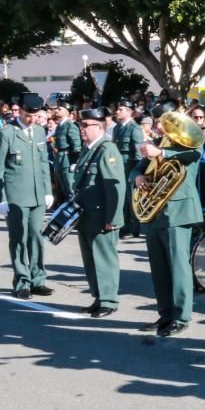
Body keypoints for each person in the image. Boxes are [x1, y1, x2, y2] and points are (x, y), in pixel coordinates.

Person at [131, 106, 204, 337]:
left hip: (178, 211)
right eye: (158, 122)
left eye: (163, 123)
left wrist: (160, 154)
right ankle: (165, 314)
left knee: (178, 265)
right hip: (154, 212)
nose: (159, 127)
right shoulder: (158, 143)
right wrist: (138, 177)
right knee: (159, 267)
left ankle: (181, 316)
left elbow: (193, 155)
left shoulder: (190, 144)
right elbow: (136, 169)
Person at [0, 93, 54, 299]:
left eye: (35, 116)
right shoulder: (7, 133)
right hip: (15, 195)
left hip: (36, 196)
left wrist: (47, 191)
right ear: (20, 110)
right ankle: (21, 282)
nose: (31, 119)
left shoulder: (39, 131)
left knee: (35, 236)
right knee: (18, 239)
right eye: (28, 115)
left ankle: (37, 279)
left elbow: (43, 163)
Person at [73, 108, 125, 317]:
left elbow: (116, 188)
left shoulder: (107, 149)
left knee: (104, 259)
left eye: (86, 126)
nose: (82, 129)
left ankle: (109, 300)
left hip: (102, 216)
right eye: (81, 125)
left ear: (100, 127)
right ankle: (98, 296)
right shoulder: (89, 149)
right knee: (90, 260)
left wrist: (113, 218)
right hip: (86, 215)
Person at [112, 99, 145, 237]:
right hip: (119, 165)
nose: (117, 111)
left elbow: (138, 152)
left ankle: (134, 227)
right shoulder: (117, 128)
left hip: (130, 166)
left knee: (131, 197)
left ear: (129, 112)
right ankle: (124, 225)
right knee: (121, 196)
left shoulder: (134, 128)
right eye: (118, 109)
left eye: (121, 109)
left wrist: (137, 171)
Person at [51, 101, 82, 204]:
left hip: (67, 160)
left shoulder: (70, 126)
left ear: (67, 112)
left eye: (59, 109)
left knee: (70, 188)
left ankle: (76, 211)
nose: (56, 110)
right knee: (63, 189)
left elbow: (77, 146)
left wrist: (75, 162)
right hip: (59, 160)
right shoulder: (60, 126)